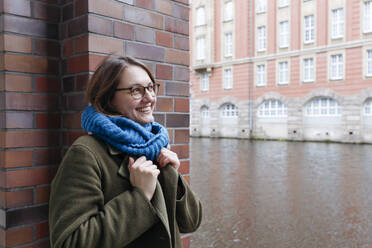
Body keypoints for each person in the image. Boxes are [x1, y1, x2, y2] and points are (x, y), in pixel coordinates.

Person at [49, 55, 202, 248]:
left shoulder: (155, 144)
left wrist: (175, 179)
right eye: (136, 90)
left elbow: (191, 222)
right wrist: (140, 196)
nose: (150, 98)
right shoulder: (86, 153)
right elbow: (70, 243)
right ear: (108, 98)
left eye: (151, 87)